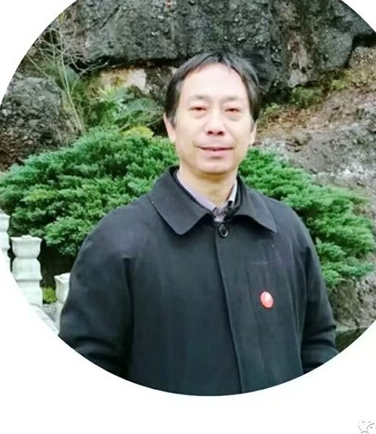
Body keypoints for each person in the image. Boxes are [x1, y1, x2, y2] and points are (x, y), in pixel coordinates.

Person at [58, 51, 338, 395]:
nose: (216, 126)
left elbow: (317, 345)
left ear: (253, 130)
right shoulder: (118, 242)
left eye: (232, 111)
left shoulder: (287, 230)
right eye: (199, 109)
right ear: (171, 126)